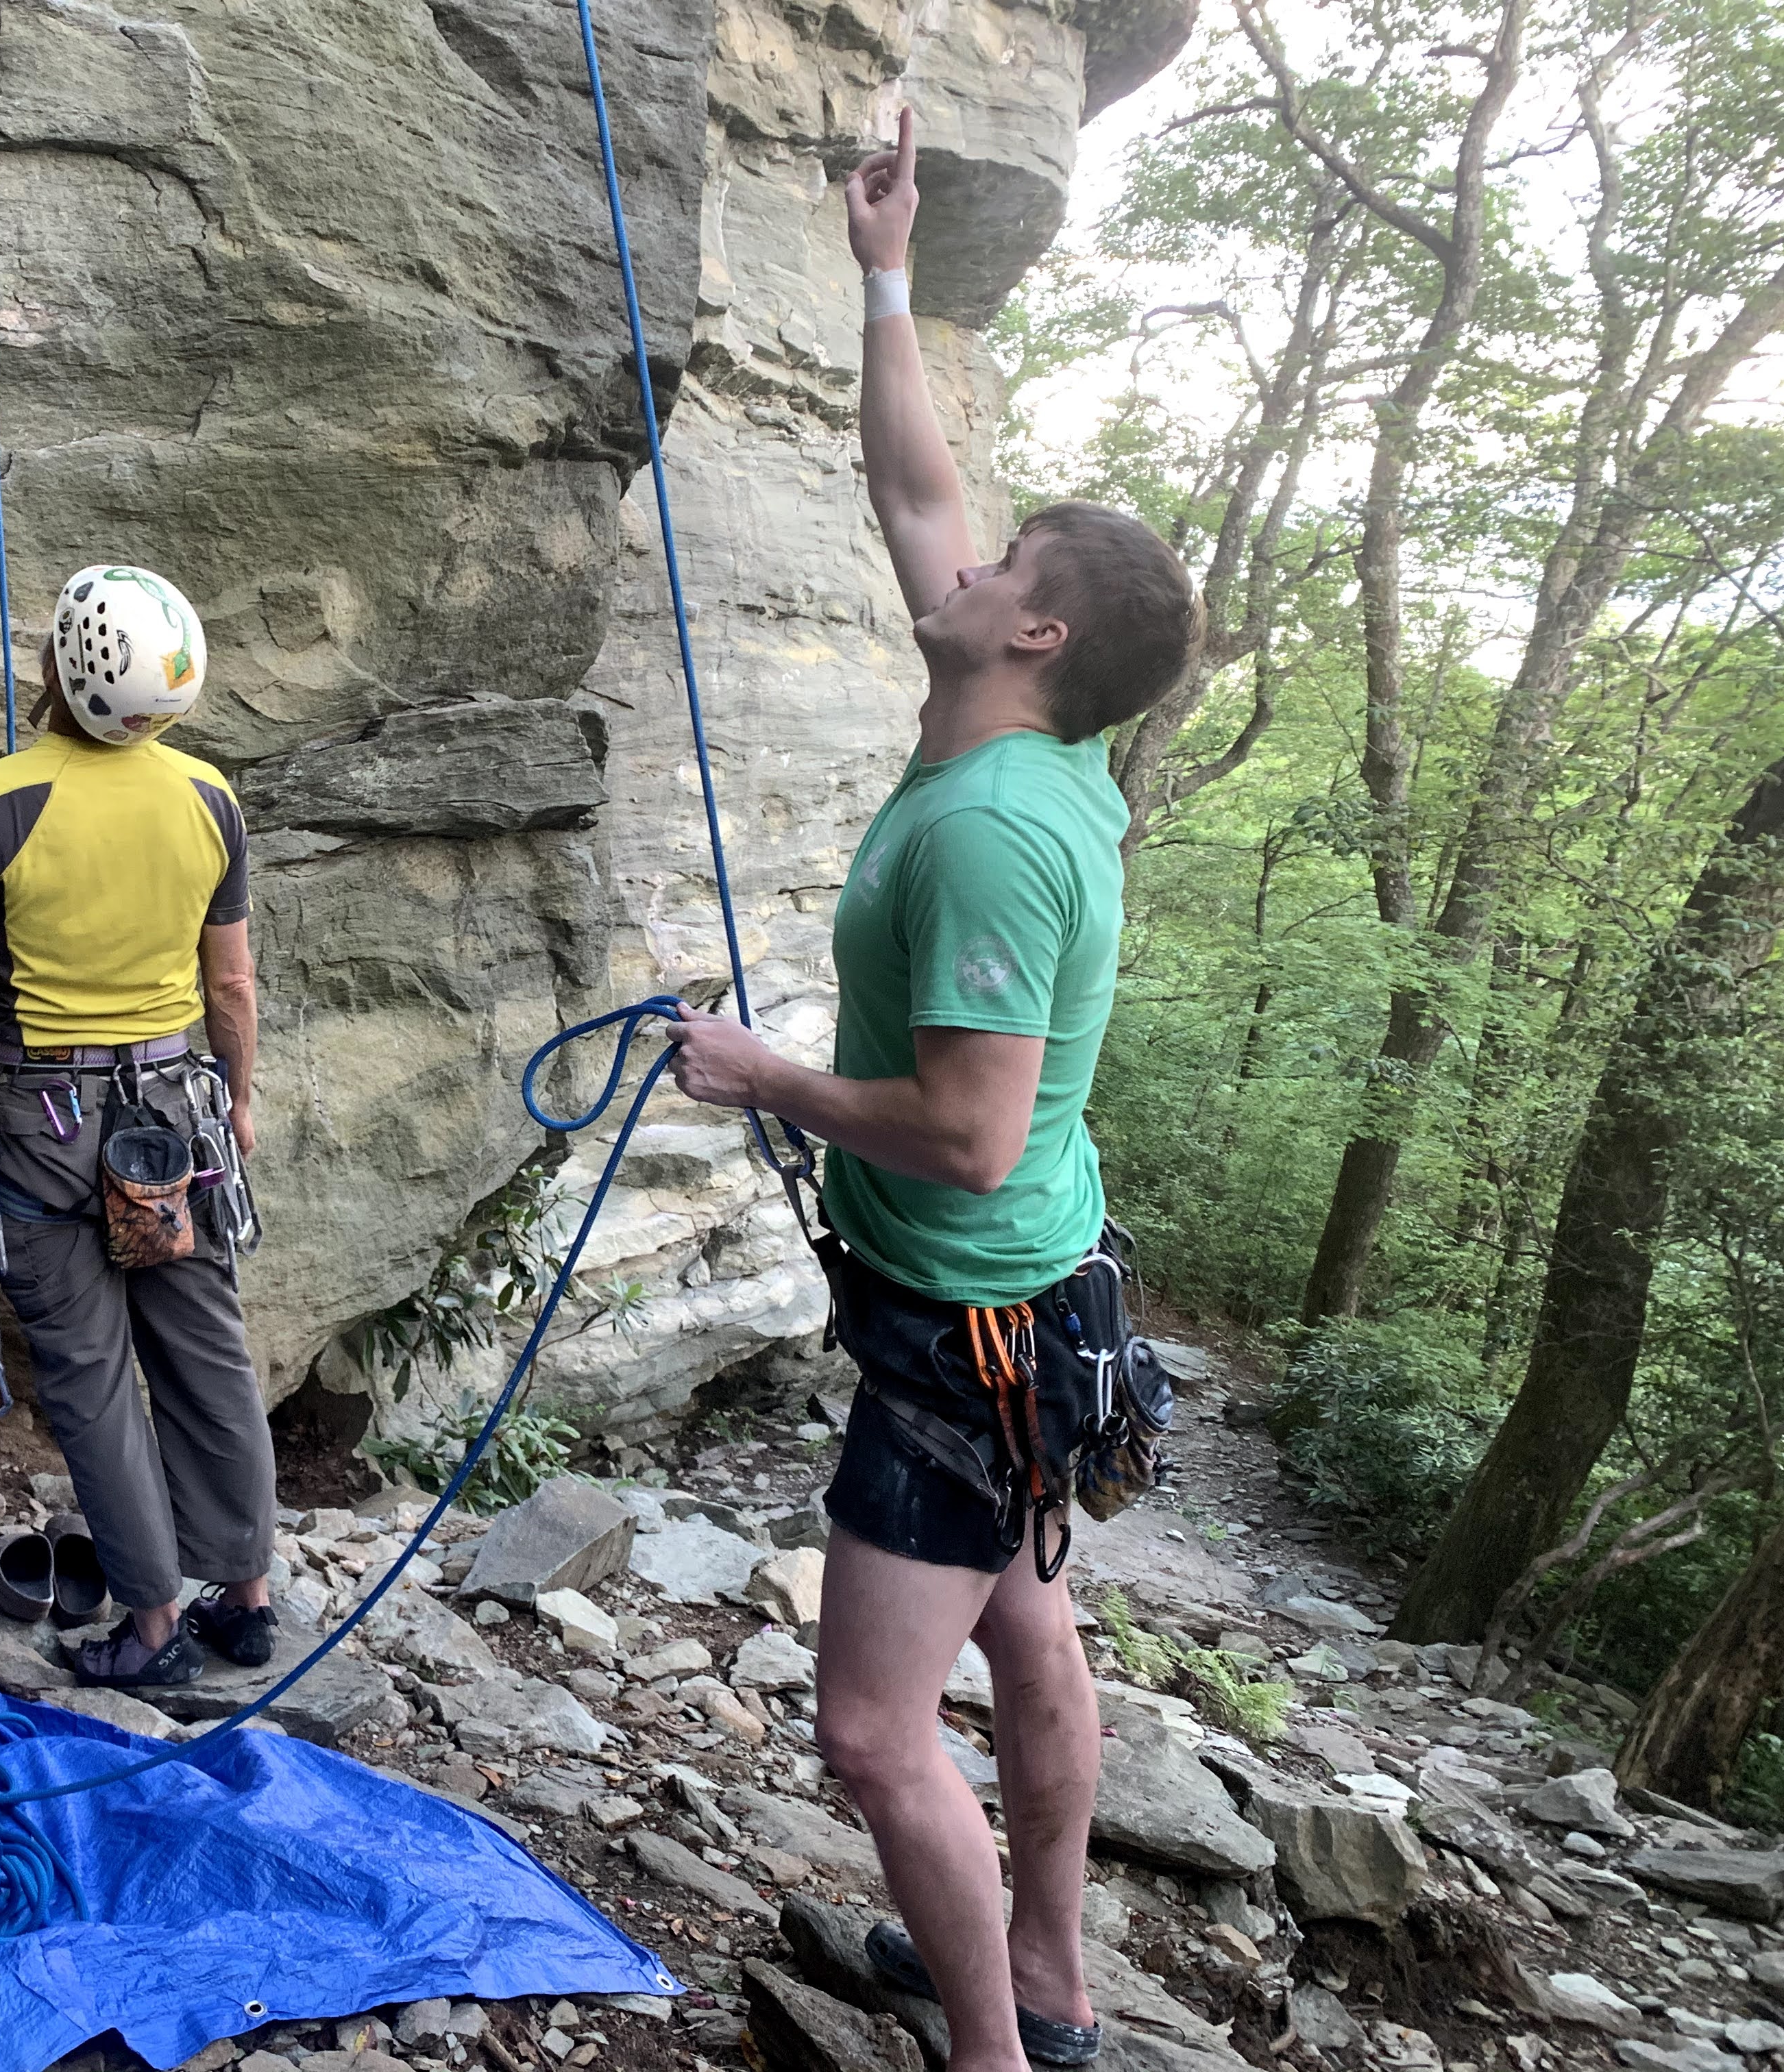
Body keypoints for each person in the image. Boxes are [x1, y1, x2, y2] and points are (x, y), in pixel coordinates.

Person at [661, 109, 1202, 2072]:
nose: (968, 556)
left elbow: (965, 1127)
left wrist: (764, 1076)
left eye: (1011, 562)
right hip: (1037, 1296)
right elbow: (917, 482)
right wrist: (882, 271)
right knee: (1031, 1629)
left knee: (879, 1733)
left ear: (1034, 630)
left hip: (971, 1317)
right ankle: (1045, 1986)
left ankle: (993, 2052)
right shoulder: (1026, 737)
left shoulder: (991, 828)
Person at [0, 564, 279, 1692]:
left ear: (57, 666)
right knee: (205, 1353)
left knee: (93, 1374)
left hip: (44, 1126)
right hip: (176, 1121)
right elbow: (230, 986)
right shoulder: (208, 797)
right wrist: (235, 1099)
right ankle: (245, 1601)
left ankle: (152, 1626)